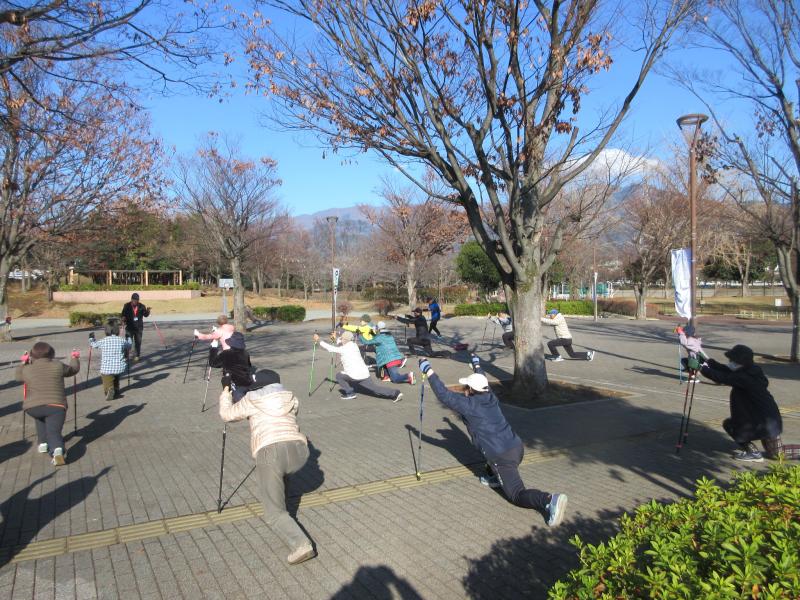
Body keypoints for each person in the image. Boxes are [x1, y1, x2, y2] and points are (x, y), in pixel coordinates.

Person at [418, 354, 568, 526]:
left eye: (466, 386)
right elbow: (483, 379)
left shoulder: (469, 405)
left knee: (516, 494)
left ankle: (549, 499)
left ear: (471, 390)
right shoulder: (490, 396)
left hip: (502, 457)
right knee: (486, 448)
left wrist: (427, 369)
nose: (464, 389)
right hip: (516, 446)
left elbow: (443, 394)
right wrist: (475, 363)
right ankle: (494, 477)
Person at [218, 382, 316, 565]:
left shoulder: (252, 399)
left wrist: (225, 394)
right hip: (299, 452)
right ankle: (286, 513)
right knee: (282, 477)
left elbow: (227, 415)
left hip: (270, 453)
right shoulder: (290, 397)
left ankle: (301, 544)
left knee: (273, 512)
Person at [699, 344, 783, 462]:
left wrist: (701, 368)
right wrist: (708, 362)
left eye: (732, 360)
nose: (730, 362)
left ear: (740, 362)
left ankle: (753, 453)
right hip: (771, 419)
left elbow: (722, 377)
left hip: (762, 421)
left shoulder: (744, 377)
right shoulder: (752, 370)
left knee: (730, 425)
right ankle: (755, 452)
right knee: (777, 455)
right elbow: (726, 370)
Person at [16, 342, 80, 466]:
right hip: (56, 406)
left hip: (32, 407)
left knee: (41, 418)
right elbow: (73, 370)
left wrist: (23, 363)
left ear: (31, 355)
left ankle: (43, 444)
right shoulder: (58, 365)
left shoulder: (27, 368)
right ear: (51, 354)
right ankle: (57, 452)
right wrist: (74, 358)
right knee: (54, 431)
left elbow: (18, 376)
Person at [314, 331, 402, 402]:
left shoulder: (344, 348)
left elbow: (330, 348)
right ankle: (395, 393)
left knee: (339, 376)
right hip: (364, 374)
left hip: (354, 375)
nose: (341, 340)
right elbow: (342, 341)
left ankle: (350, 393)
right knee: (375, 389)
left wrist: (319, 340)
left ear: (345, 340)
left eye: (342, 339)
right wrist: (336, 337)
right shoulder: (354, 345)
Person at [89, 320, 132, 401]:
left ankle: (109, 390)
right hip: (120, 367)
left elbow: (94, 345)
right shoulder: (121, 340)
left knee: (106, 378)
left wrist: (91, 338)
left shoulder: (103, 340)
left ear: (106, 331)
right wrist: (128, 337)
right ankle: (116, 389)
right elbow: (129, 346)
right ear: (117, 330)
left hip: (107, 368)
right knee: (116, 376)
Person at [207, 331, 254, 401]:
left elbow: (213, 363)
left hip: (232, 382)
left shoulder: (226, 353)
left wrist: (213, 349)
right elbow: (249, 366)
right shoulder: (245, 353)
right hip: (246, 381)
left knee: (232, 400)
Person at [120, 292, 151, 361]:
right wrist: (123, 318)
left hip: (139, 328)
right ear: (131, 299)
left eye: (137, 300)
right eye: (134, 300)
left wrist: (148, 311)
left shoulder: (142, 306)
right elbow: (123, 314)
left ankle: (137, 355)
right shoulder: (126, 306)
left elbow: (145, 315)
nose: (135, 302)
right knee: (128, 342)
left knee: (138, 342)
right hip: (129, 327)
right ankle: (126, 356)